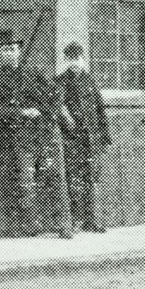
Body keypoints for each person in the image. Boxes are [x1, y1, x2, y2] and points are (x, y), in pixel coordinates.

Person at [0, 28, 62, 238]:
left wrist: (44, 114)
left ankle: (61, 224)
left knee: (52, 177)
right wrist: (21, 112)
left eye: (12, 49)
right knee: (26, 182)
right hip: (21, 139)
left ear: (19, 50)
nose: (8, 53)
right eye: (4, 50)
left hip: (44, 135)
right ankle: (32, 226)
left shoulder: (34, 73)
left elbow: (56, 95)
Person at [55, 42, 112, 233]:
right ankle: (74, 222)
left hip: (92, 139)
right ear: (65, 61)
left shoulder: (90, 81)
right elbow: (57, 107)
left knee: (93, 179)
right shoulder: (61, 81)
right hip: (71, 139)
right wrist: (67, 119)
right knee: (73, 179)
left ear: (83, 60)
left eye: (77, 59)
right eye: (70, 60)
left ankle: (93, 220)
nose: (74, 64)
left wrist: (104, 136)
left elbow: (100, 109)